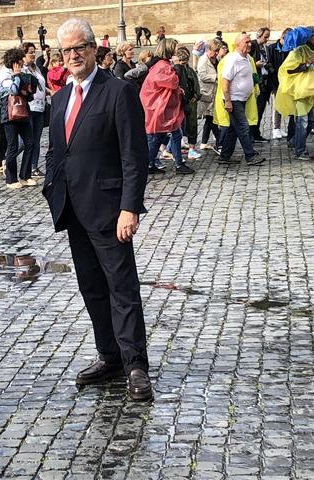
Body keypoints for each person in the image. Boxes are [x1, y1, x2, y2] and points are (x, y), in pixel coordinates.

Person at [43, 18, 152, 401]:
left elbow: (133, 157)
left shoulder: (118, 92)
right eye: (66, 50)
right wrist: (51, 190)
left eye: (80, 48)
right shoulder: (59, 98)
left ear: (94, 49)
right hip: (74, 211)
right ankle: (109, 357)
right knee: (91, 289)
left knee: (122, 288)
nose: (73, 55)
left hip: (109, 210)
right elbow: (58, 151)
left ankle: (135, 363)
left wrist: (130, 207)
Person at [140, 38, 194, 174]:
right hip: (158, 109)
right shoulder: (163, 66)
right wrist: (177, 67)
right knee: (156, 137)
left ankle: (170, 163)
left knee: (171, 135)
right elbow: (173, 81)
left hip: (162, 108)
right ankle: (149, 164)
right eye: (175, 47)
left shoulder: (161, 65)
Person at [215, 33, 266, 165]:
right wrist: (227, 100)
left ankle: (225, 156)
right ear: (237, 44)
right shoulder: (232, 60)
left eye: (249, 41)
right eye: (246, 42)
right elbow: (225, 81)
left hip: (242, 99)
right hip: (233, 99)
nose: (249, 44)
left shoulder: (247, 58)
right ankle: (250, 155)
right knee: (243, 126)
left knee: (233, 129)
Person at [275, 26, 314, 160]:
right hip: (301, 92)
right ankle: (300, 150)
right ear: (309, 38)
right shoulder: (296, 52)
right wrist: (305, 66)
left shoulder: (308, 51)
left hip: (311, 92)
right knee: (302, 121)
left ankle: (296, 140)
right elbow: (288, 70)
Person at [0, 47, 38, 189]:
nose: (22, 63)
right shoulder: (4, 74)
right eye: (20, 61)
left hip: (23, 111)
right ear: (14, 62)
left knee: (30, 142)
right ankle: (11, 178)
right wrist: (16, 76)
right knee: (13, 146)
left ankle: (25, 175)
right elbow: (13, 91)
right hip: (9, 114)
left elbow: (29, 92)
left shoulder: (22, 71)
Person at [22, 42, 48, 177]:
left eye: (34, 52)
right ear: (24, 54)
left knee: (36, 139)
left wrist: (51, 92)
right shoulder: (22, 69)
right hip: (29, 108)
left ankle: (34, 166)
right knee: (26, 140)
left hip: (40, 107)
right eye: (30, 52)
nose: (33, 54)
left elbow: (41, 86)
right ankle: (8, 160)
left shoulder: (36, 68)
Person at [197, 38, 222, 150]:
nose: (216, 53)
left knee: (209, 118)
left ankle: (203, 142)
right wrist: (215, 77)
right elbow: (202, 76)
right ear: (209, 49)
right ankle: (220, 141)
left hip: (214, 92)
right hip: (207, 93)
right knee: (211, 118)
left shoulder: (215, 59)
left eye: (217, 51)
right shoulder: (203, 60)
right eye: (214, 51)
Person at [267, 28, 291, 138]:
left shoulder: (289, 49)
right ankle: (276, 128)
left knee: (284, 104)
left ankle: (280, 128)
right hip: (275, 81)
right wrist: (274, 73)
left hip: (286, 81)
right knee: (277, 104)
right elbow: (269, 63)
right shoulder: (271, 48)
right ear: (282, 37)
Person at [249, 27, 271, 142]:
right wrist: (255, 64)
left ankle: (256, 133)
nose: (267, 39)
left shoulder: (264, 47)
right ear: (259, 35)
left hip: (265, 81)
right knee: (256, 109)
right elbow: (248, 60)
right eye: (265, 36)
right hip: (257, 81)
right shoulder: (253, 45)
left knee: (261, 109)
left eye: (268, 37)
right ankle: (253, 134)